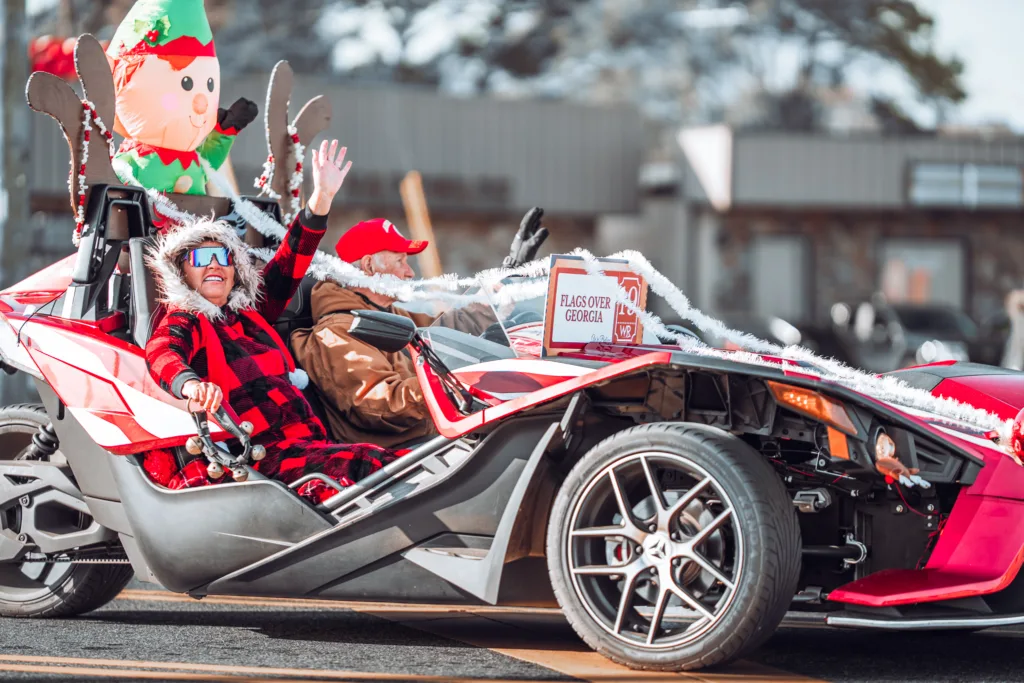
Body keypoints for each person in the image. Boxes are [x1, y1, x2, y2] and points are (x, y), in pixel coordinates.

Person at [144, 139, 395, 501]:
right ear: (182, 273)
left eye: (223, 257)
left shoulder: (250, 313)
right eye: (200, 259)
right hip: (259, 459)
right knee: (366, 467)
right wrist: (190, 386)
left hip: (308, 445)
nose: (214, 264)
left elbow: (291, 262)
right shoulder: (189, 317)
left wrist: (321, 198)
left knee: (394, 463)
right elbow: (162, 350)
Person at [291, 208, 548, 448]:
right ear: (369, 266)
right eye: (400, 261)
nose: (409, 272)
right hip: (400, 460)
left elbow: (445, 331)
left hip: (433, 440)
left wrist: (507, 277)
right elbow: (380, 404)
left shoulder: (385, 313)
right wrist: (455, 380)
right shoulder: (336, 332)